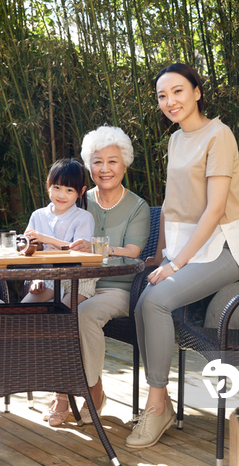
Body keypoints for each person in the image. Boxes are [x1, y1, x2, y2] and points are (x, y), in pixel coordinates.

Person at [126, 63, 239, 449]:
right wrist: (161, 255)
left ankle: (157, 405)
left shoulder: (220, 135)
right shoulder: (175, 140)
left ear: (197, 92)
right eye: (162, 96)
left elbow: (215, 210)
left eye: (178, 91)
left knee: (157, 303)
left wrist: (175, 264)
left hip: (225, 247)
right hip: (187, 247)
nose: (170, 102)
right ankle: (160, 403)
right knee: (140, 303)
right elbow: (169, 205)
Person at [44, 126, 151, 426]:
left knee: (82, 314)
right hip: (74, 282)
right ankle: (61, 393)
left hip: (116, 287)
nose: (105, 169)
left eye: (112, 161)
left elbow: (133, 251)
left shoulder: (137, 207)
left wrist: (97, 247)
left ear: (125, 163)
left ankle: (93, 388)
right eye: (97, 161)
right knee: (55, 310)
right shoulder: (76, 197)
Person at [22, 158, 96, 313]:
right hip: (47, 277)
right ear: (48, 185)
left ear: (81, 192)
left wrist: (45, 239)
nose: (61, 195)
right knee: (23, 311)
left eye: (69, 190)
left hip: (79, 279)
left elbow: (78, 252)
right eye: (57, 187)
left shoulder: (84, 217)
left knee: (59, 316)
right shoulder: (38, 216)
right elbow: (27, 252)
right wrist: (35, 277)